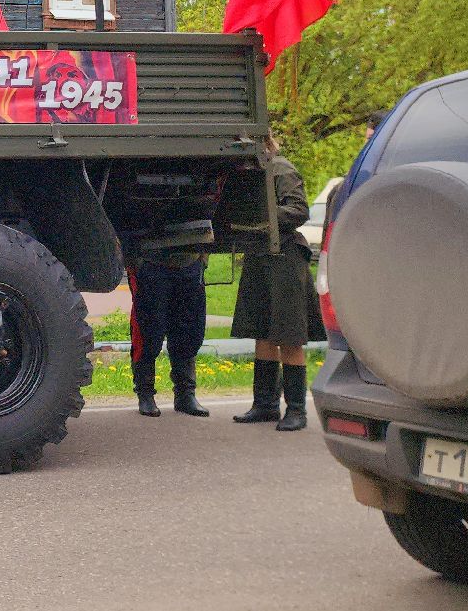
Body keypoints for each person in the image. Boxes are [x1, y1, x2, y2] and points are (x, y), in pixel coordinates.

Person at [231, 135, 324, 431]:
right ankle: (265, 405)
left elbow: (299, 209)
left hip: (285, 257)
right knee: (262, 332)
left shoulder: (281, 168)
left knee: (289, 335)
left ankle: (296, 410)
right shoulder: (249, 175)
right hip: (259, 256)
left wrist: (262, 216)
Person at [126, 249, 209, 418]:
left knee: (189, 330)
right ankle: (145, 393)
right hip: (149, 258)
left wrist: (203, 258)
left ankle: (185, 394)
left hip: (190, 260)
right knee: (148, 332)